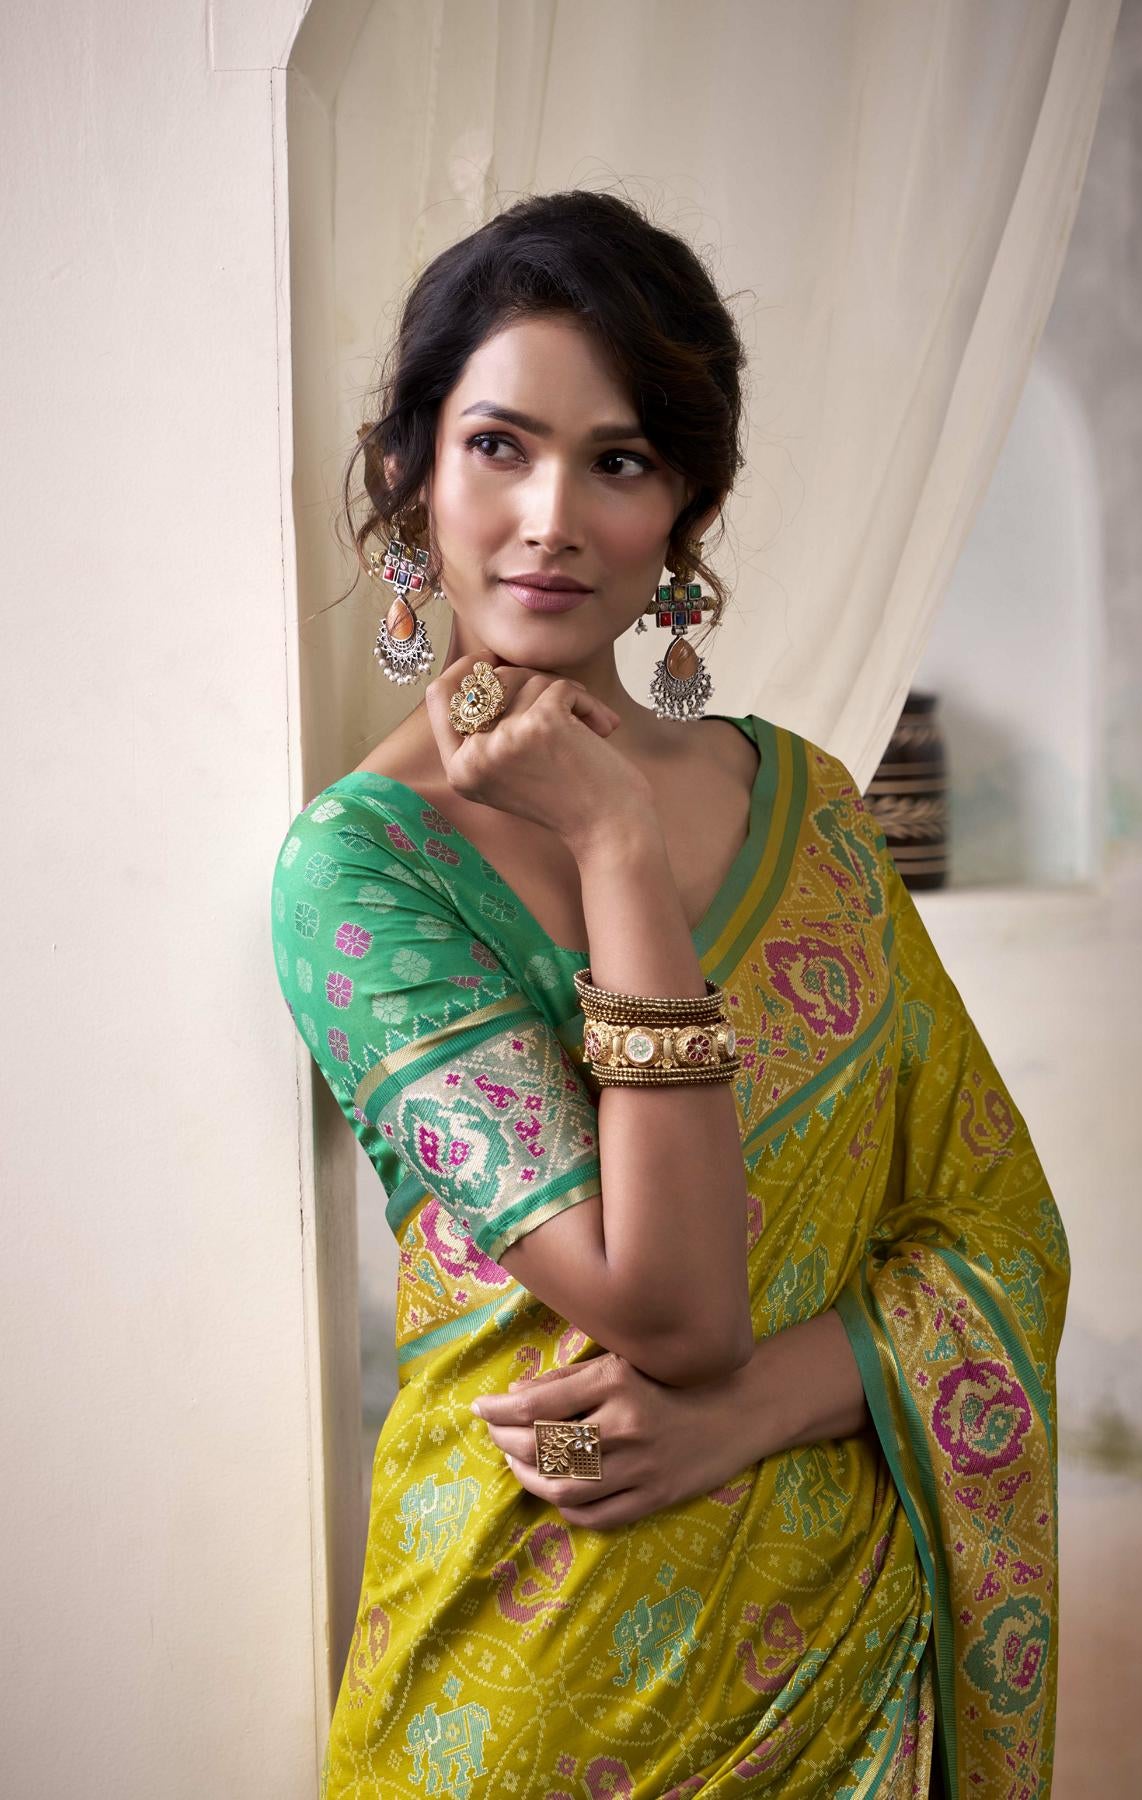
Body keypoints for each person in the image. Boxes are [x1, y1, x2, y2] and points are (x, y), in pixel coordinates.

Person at [270, 189, 1069, 1800]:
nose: (551, 516)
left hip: (848, 1669)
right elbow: (675, 1305)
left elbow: (999, 1235)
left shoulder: (813, 810)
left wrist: (753, 1410)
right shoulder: (365, 873)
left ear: (685, 514)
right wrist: (617, 847)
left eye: (619, 461)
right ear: (411, 472)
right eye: (498, 446)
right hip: (526, 1680)